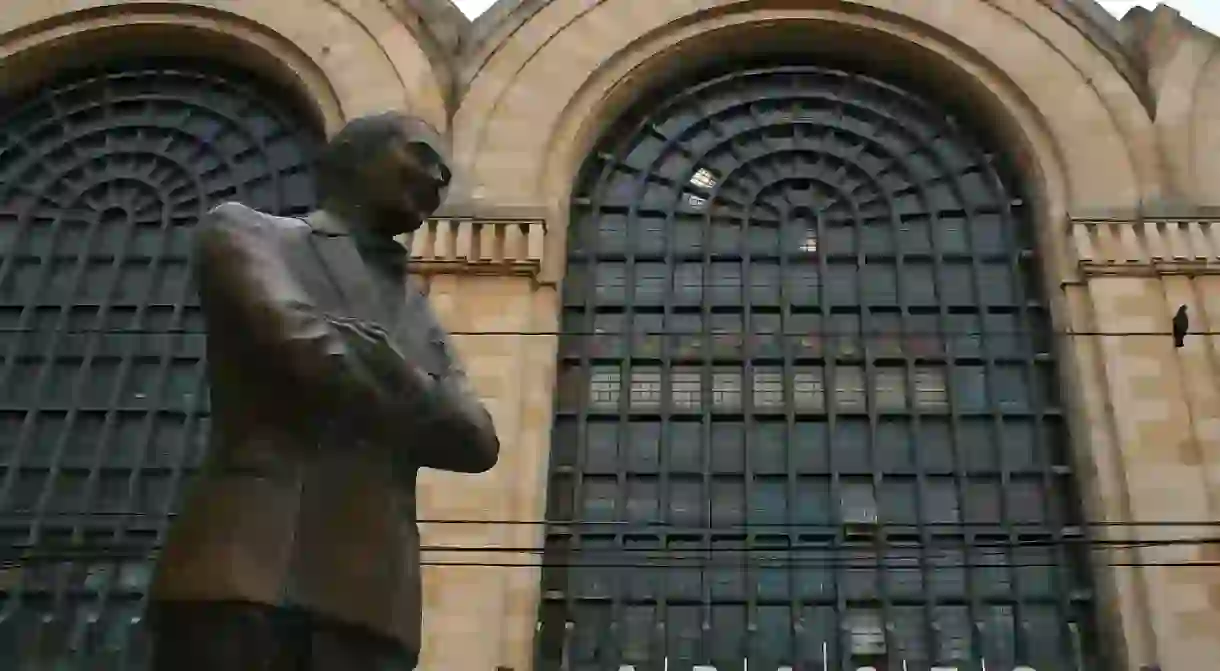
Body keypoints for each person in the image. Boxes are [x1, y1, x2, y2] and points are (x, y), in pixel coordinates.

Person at [147, 112, 500, 670]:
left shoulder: (417, 307)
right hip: (250, 574)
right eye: (421, 156)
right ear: (354, 156)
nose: (437, 179)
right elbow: (302, 349)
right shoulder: (246, 231)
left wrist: (396, 372)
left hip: (376, 612)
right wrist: (423, 397)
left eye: (446, 175)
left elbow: (479, 442)